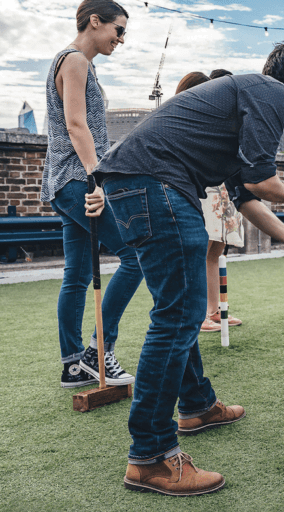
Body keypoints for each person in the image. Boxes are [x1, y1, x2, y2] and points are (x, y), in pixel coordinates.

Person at [93, 40, 284, 496]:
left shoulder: (244, 102)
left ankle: (198, 405)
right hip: (155, 182)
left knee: (177, 308)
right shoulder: (270, 94)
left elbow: (246, 195)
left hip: (142, 182)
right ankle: (150, 456)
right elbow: (265, 181)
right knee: (179, 314)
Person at [42, 0, 142, 389]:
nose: (122, 39)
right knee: (135, 257)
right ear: (95, 22)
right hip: (77, 181)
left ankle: (73, 365)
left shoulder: (70, 61)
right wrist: (96, 181)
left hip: (62, 181)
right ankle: (98, 353)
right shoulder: (76, 60)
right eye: (119, 30)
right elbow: (76, 125)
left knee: (77, 275)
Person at [181, 69, 245, 333]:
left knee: (217, 250)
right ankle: (199, 315)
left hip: (221, 188)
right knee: (202, 250)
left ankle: (215, 310)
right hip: (203, 190)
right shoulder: (187, 118)